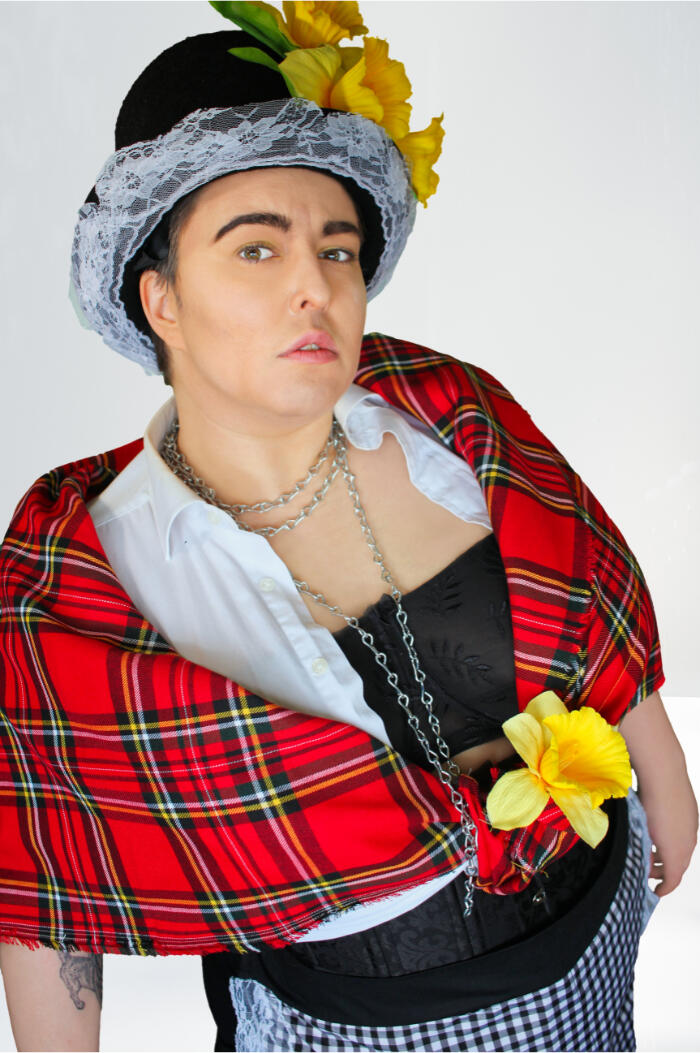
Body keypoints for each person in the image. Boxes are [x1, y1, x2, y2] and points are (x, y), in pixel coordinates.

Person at [0, 4, 696, 1051]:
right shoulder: (86, 567)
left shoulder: (452, 419)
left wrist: (663, 768)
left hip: (590, 948)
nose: (314, 287)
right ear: (161, 300)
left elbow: (590, 604)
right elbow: (46, 878)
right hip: (347, 1027)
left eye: (336, 249)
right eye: (254, 249)